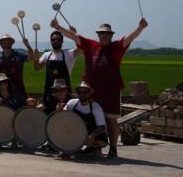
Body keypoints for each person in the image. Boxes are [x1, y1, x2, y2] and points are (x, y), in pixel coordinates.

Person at [52, 18, 148, 159]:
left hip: (111, 90)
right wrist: (58, 27)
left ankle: (113, 148)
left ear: (111, 35)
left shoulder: (117, 47)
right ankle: (88, 146)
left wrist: (140, 28)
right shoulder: (90, 45)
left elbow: (130, 38)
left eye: (107, 34)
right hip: (90, 90)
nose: (104, 35)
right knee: (85, 117)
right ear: (98, 34)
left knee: (110, 120)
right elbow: (73, 36)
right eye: (101, 33)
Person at [62, 81, 108, 158]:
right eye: (79, 92)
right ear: (77, 93)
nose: (82, 94)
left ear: (90, 93)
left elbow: (102, 126)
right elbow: (62, 118)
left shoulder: (96, 107)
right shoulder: (71, 103)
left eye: (85, 92)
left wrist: (92, 135)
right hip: (75, 132)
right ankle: (77, 148)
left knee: (102, 141)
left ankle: (93, 147)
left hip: (90, 133)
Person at [32, 30, 80, 103]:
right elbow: (37, 68)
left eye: (58, 39)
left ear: (62, 41)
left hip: (65, 93)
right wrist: (36, 58)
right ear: (51, 41)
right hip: (50, 93)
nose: (56, 41)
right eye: (53, 39)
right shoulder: (46, 55)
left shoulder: (69, 54)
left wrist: (73, 34)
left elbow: (80, 44)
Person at [0, 34, 31, 100]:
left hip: (18, 89)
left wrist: (28, 46)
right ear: (0, 44)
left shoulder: (19, 55)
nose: (6, 45)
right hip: (2, 91)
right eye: (3, 43)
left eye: (8, 42)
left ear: (11, 44)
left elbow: (31, 58)